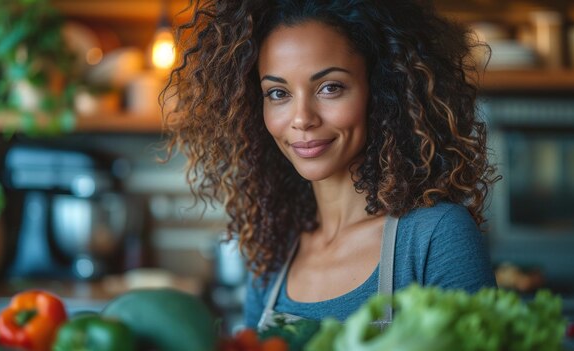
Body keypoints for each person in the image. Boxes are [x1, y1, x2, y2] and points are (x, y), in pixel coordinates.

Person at [161, 0, 500, 329]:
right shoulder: (274, 253)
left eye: (330, 88)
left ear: (381, 90)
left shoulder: (436, 235)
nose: (302, 119)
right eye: (278, 93)